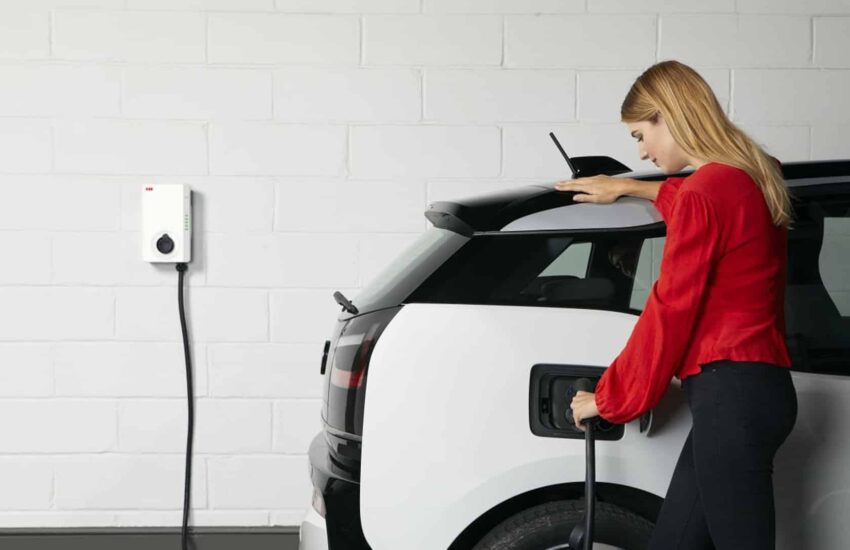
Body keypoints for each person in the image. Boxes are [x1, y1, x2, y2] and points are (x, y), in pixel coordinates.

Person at [554, 59, 799, 549]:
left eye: (640, 135)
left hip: (730, 397)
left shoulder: (707, 194)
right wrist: (628, 186)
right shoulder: (755, 173)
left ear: (668, 115)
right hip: (756, 391)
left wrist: (611, 397)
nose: (642, 152)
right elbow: (697, 197)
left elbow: (669, 310)